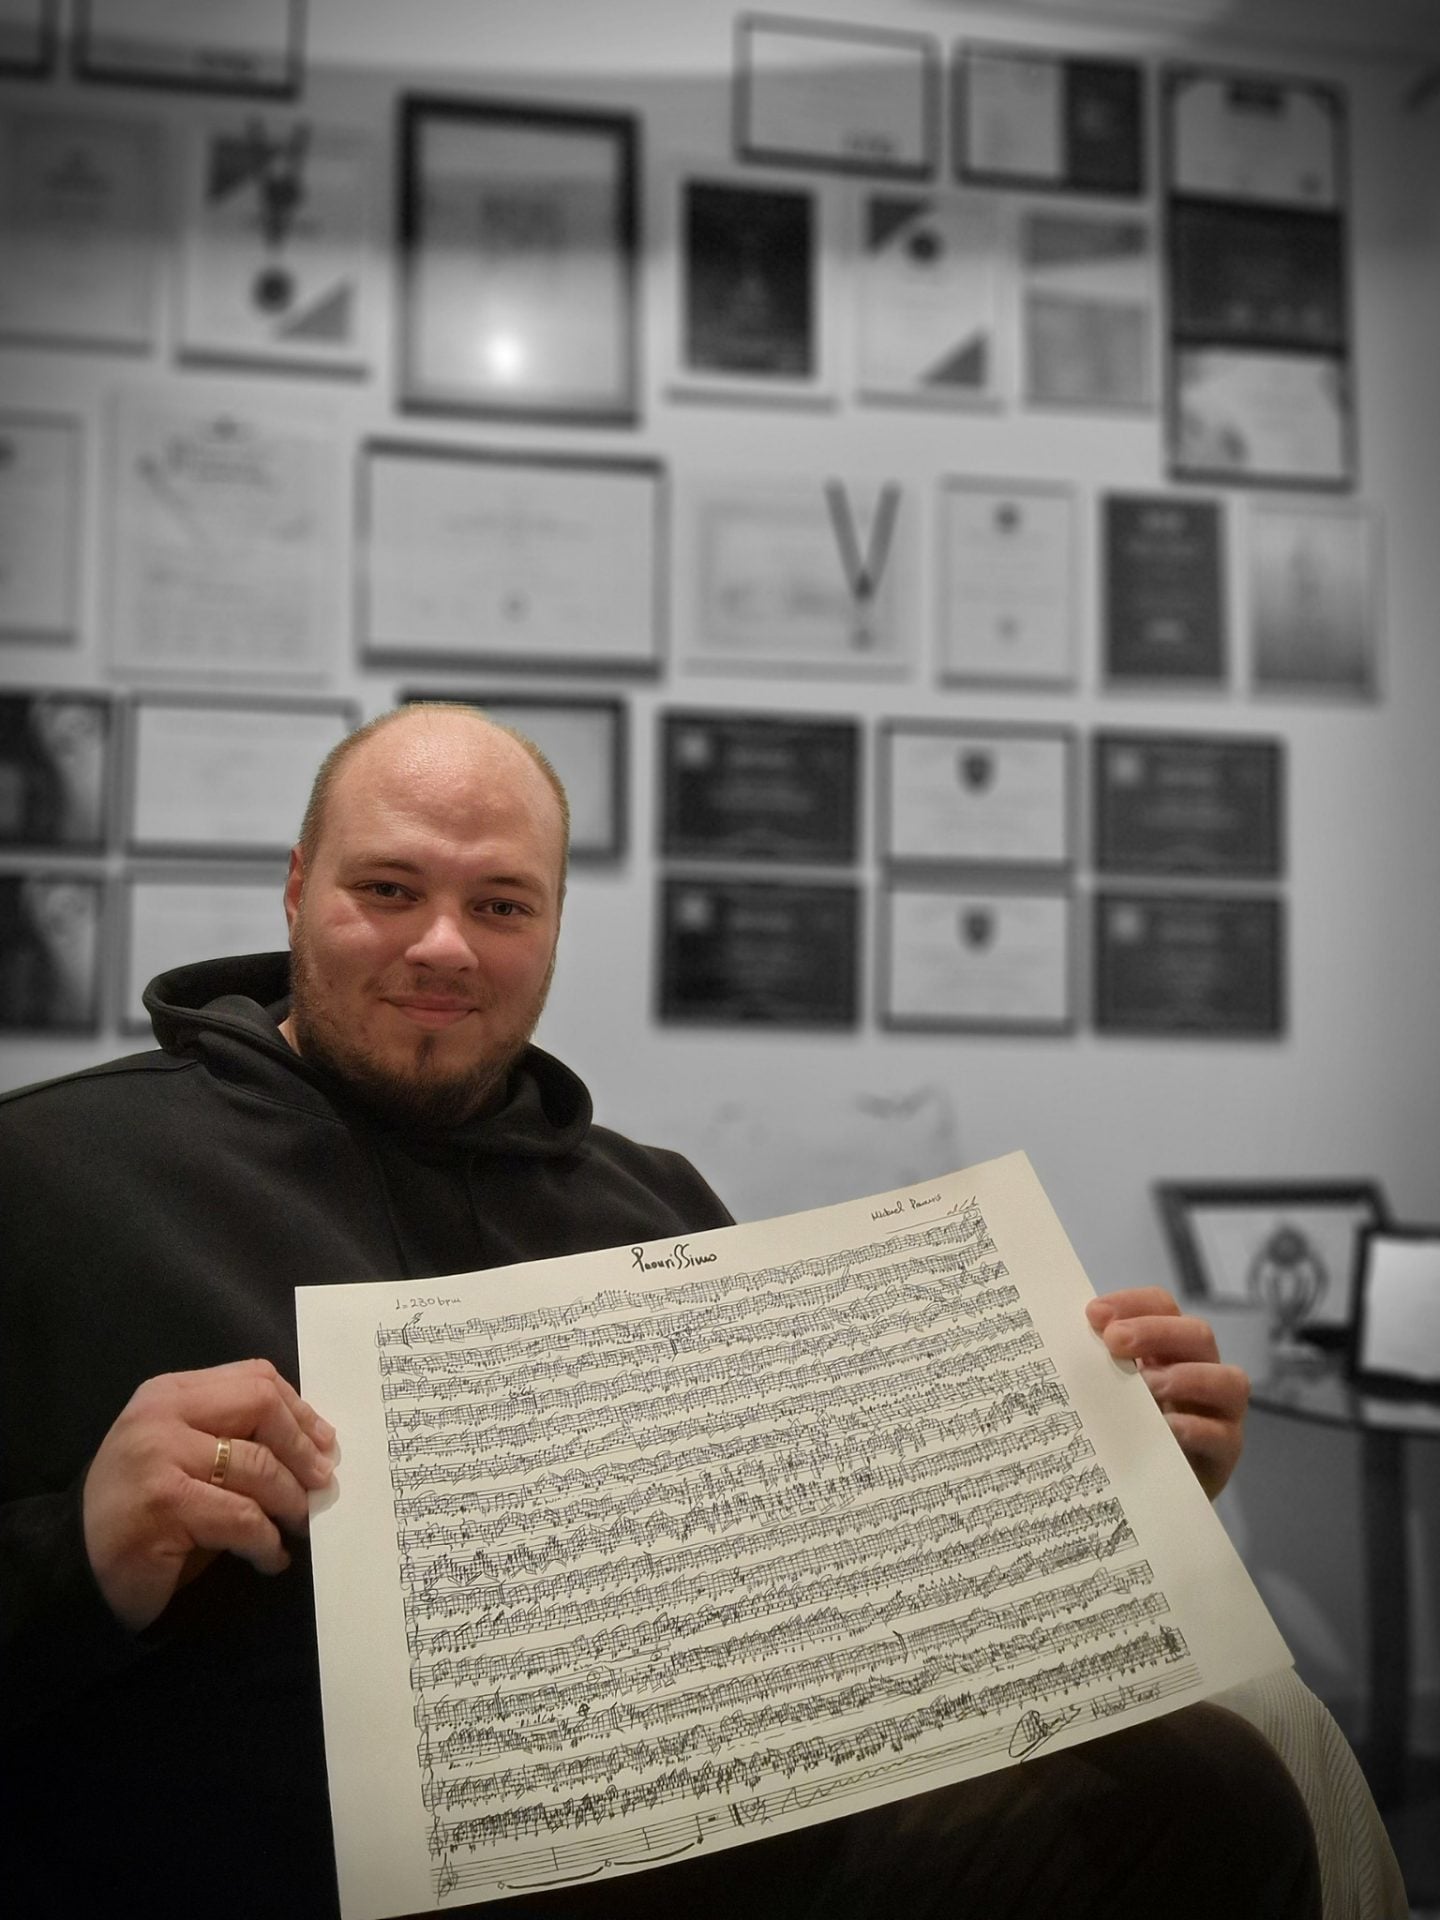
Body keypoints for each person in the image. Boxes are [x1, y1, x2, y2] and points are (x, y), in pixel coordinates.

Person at [0, 704, 1318, 1920]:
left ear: (555, 926)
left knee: (1212, 1788)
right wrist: (80, 1554)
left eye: (501, 903)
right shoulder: (54, 1175)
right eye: (388, 889)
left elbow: (828, 1579)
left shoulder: (659, 1209)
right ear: (298, 888)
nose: (445, 944)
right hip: (265, 1861)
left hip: (699, 1851)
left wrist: (1115, 1492)